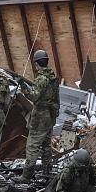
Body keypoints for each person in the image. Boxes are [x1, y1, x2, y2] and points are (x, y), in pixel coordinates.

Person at [20, 50, 59, 181]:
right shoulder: (53, 78)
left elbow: (34, 97)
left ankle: (26, 176)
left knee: (32, 145)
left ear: (36, 64)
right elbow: (57, 98)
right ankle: (47, 172)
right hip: (50, 115)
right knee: (46, 145)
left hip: (40, 116)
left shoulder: (41, 79)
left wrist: (23, 87)